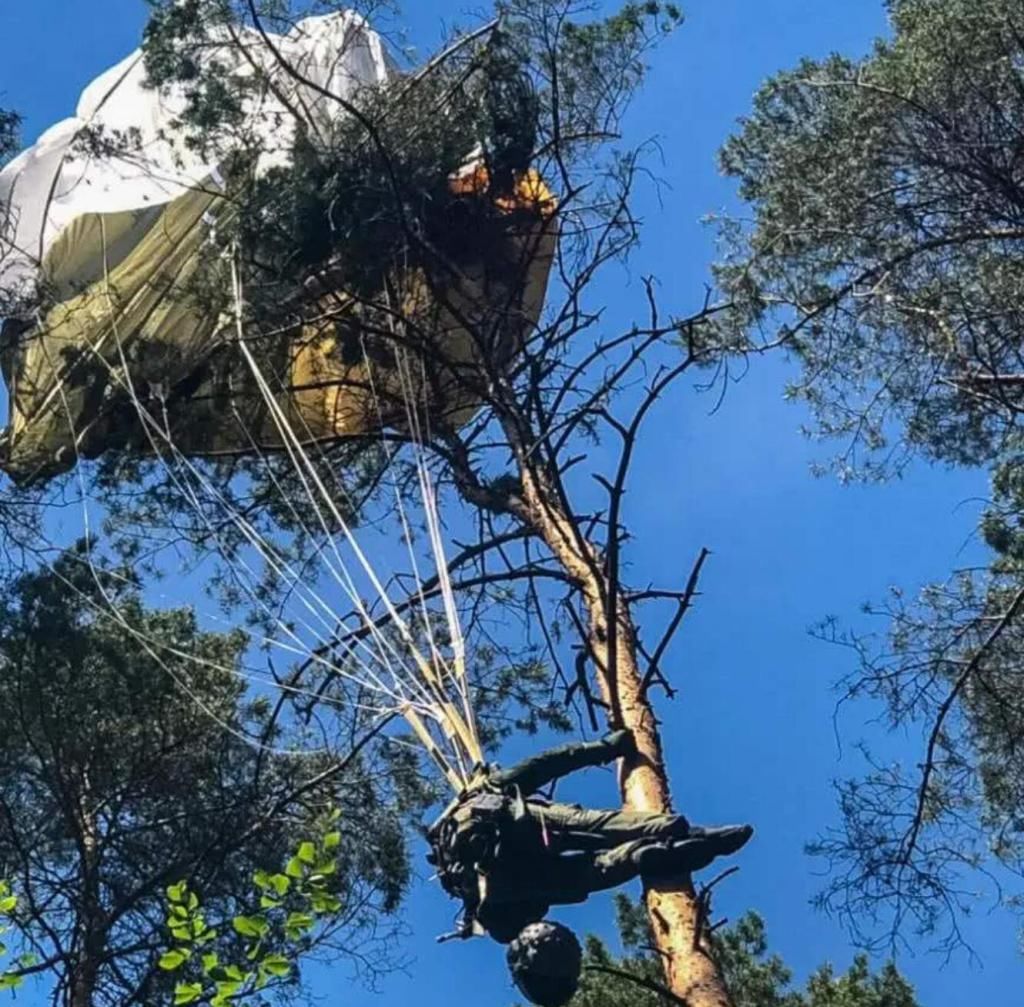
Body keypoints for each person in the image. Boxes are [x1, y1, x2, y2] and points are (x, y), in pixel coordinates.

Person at [427, 729, 753, 943]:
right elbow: (547, 763)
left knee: (590, 872)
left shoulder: (453, 853)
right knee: (593, 825)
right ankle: (681, 831)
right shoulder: (487, 790)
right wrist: (606, 748)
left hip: (499, 885)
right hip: (514, 827)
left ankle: (639, 856)